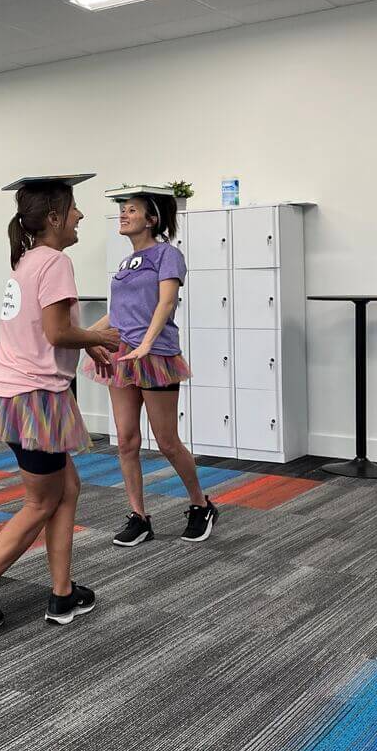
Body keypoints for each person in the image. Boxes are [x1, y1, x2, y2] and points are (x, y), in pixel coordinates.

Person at [0, 174, 119, 631]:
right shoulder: (56, 262)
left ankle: (63, 595)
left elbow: (44, 331)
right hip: (35, 398)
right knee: (40, 501)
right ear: (53, 218)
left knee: (67, 490)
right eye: (74, 209)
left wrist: (88, 345)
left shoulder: (27, 261)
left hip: (14, 395)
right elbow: (56, 332)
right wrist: (97, 336)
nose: (80, 215)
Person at [88, 188, 218, 546]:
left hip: (155, 355)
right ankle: (139, 517)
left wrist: (146, 343)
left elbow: (167, 302)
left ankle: (200, 504)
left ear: (152, 219)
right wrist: (83, 337)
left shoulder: (167, 254)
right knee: (126, 441)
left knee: (166, 441)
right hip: (122, 356)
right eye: (123, 210)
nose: (124, 214)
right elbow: (116, 314)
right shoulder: (125, 264)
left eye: (132, 210)